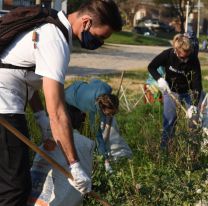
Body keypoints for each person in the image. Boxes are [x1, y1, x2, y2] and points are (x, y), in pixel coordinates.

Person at [0, 1, 122, 205]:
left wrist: (40, 119)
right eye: (100, 37)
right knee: (14, 189)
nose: (98, 43)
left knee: (8, 182)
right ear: (86, 22)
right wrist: (74, 165)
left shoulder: (52, 26)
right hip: (5, 107)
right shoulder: (55, 41)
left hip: (9, 101)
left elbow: (22, 75)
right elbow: (57, 111)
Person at [148, 33, 202, 150]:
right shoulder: (167, 55)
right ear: (176, 50)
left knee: (194, 121)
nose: (185, 59)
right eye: (183, 57)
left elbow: (197, 83)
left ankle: (192, 151)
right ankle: (165, 151)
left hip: (189, 92)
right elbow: (151, 67)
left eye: (188, 56)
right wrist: (159, 79)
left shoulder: (193, 58)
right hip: (171, 91)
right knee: (169, 121)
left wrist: (194, 105)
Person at [65, 79, 119, 173]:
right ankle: (75, 161)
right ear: (102, 108)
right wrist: (106, 161)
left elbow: (94, 81)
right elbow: (98, 136)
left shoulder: (106, 88)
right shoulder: (91, 108)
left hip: (78, 85)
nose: (110, 116)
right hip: (67, 99)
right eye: (109, 114)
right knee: (75, 130)